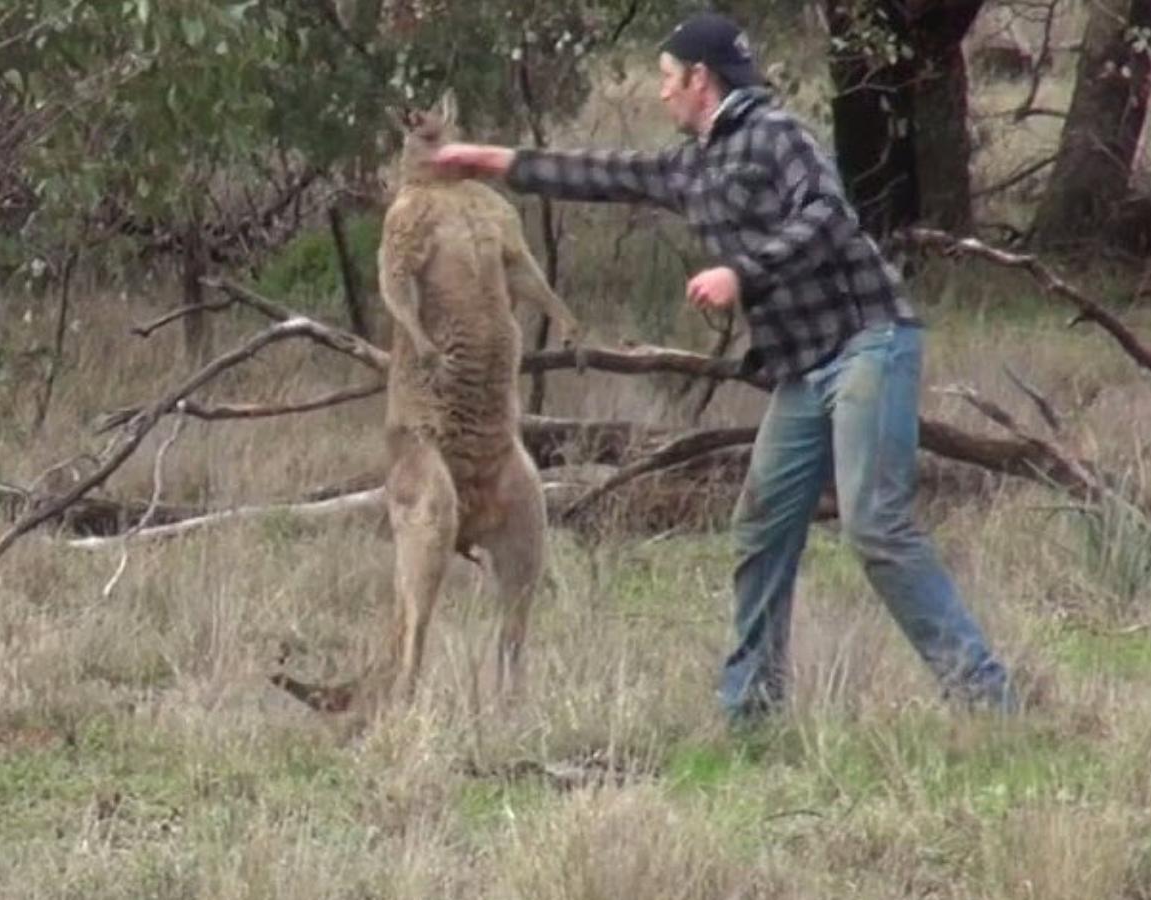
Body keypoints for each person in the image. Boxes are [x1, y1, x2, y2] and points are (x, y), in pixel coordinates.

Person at [432, 11, 1016, 722]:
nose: (660, 94)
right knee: (763, 525)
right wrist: (489, 161)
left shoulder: (778, 136)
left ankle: (989, 703)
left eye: (667, 80)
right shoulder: (693, 164)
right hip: (802, 369)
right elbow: (603, 172)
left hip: (869, 343)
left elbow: (829, 216)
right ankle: (752, 712)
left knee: (875, 526)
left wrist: (742, 271)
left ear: (701, 81)